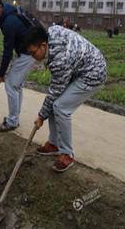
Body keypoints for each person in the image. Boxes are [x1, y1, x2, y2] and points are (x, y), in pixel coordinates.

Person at [23, 25, 107, 172]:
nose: (32, 57)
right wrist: (43, 113)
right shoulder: (50, 34)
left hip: (93, 74)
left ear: (43, 45)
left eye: (32, 52)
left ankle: (67, 153)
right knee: (53, 101)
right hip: (81, 68)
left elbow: (55, 91)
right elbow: (54, 92)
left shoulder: (59, 60)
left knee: (61, 107)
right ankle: (54, 144)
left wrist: (41, 116)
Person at [0, 0, 36, 132]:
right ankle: (14, 118)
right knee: (17, 86)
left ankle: (12, 121)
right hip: (27, 51)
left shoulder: (8, 22)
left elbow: (7, 52)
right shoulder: (8, 12)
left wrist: (1, 74)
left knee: (11, 85)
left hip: (28, 53)